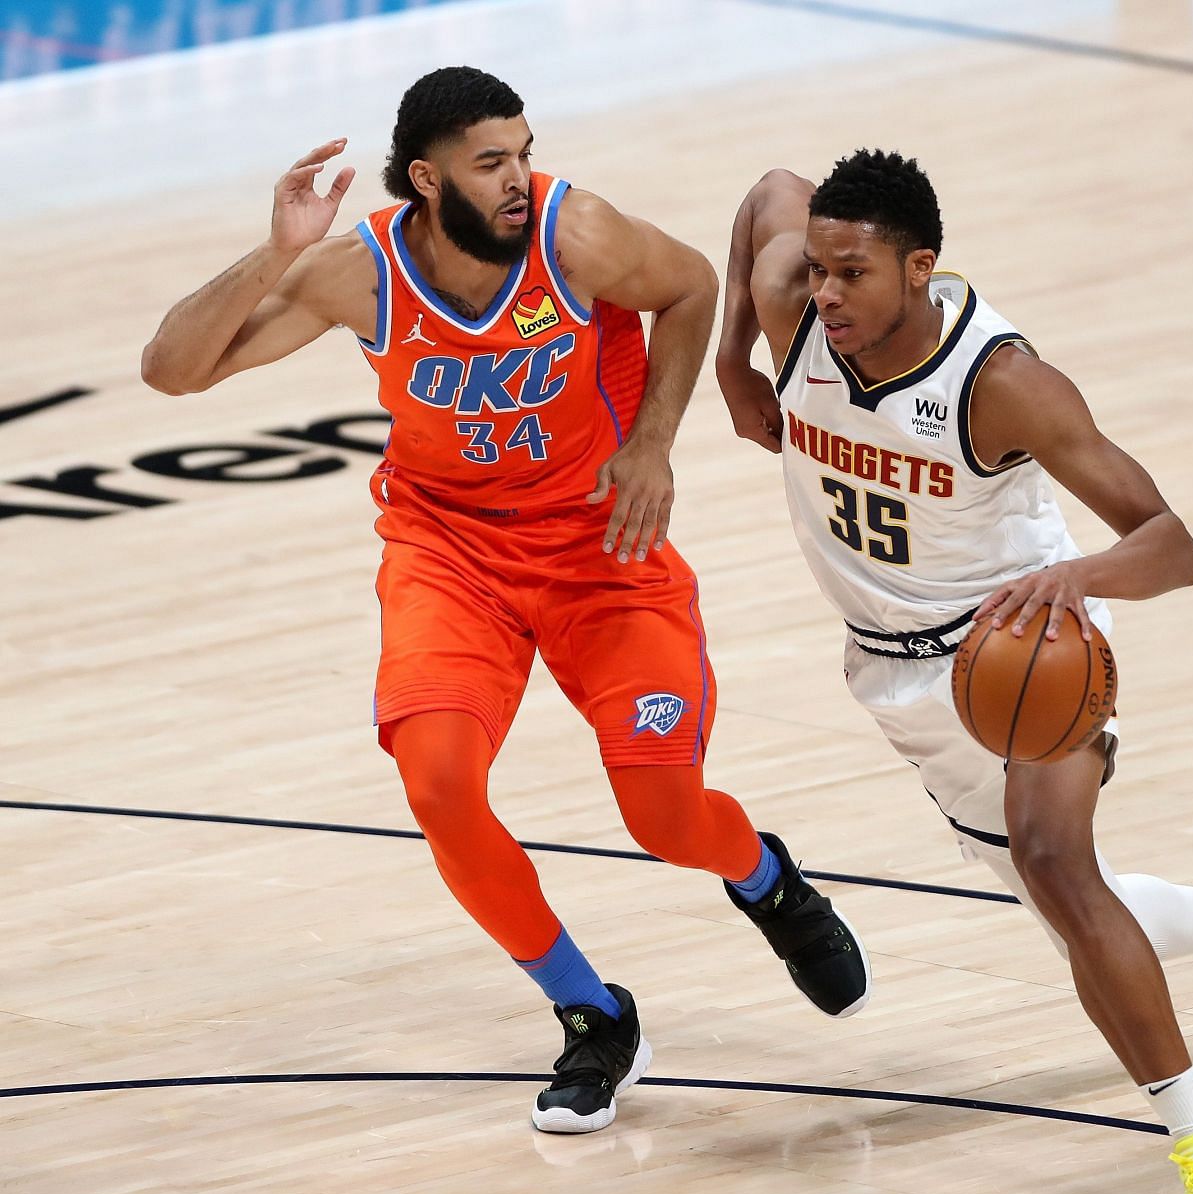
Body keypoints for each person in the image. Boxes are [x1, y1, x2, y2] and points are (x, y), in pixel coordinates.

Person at [139, 66, 870, 1136]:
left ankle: (766, 880)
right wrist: (280, 249)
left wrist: (653, 442)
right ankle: (592, 1011)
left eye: (525, 150)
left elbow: (686, 291)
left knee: (662, 811)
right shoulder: (363, 272)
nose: (521, 175)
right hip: (451, 555)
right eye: (494, 161)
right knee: (438, 782)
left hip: (596, 543)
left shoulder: (578, 235)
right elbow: (172, 371)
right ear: (429, 180)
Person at [714, 150, 1193, 1194]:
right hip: (894, 671)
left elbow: (1174, 544)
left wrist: (1075, 580)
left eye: (853, 273)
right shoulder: (800, 302)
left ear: (921, 268)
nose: (824, 293)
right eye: (816, 271)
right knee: (1075, 911)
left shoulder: (1001, 381)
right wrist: (741, 361)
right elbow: (768, 190)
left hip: (1026, 645)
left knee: (1059, 870)